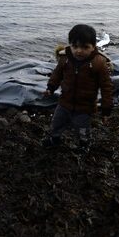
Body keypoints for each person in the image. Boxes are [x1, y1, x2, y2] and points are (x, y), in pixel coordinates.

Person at [42, 24, 113, 153]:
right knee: (56, 123)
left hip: (85, 107)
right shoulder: (65, 59)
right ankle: (55, 139)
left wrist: (106, 110)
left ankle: (84, 144)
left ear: (93, 47)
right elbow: (57, 74)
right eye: (75, 46)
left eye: (85, 47)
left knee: (82, 128)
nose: (79, 51)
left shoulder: (99, 63)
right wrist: (50, 88)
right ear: (70, 45)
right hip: (64, 102)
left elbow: (106, 88)